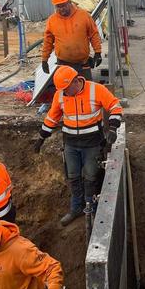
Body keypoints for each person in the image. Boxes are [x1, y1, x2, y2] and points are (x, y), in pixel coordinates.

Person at [34, 65, 123, 226]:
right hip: (71, 144)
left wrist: (113, 128)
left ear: (76, 81)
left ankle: (93, 209)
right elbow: (51, 118)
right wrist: (41, 137)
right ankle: (76, 208)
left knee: (91, 177)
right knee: (73, 177)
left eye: (67, 89)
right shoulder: (60, 95)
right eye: (62, 90)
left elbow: (115, 106)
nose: (64, 93)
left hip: (92, 144)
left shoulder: (96, 90)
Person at [41, 0, 102, 80]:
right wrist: (44, 60)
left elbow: (94, 34)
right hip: (63, 64)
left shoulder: (83, 16)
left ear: (69, 2)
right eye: (58, 6)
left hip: (83, 64)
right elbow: (47, 42)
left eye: (64, 5)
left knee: (86, 89)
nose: (61, 9)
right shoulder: (52, 20)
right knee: (66, 90)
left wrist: (98, 52)